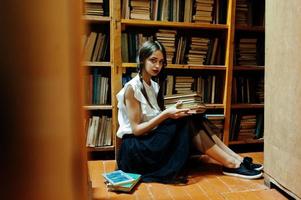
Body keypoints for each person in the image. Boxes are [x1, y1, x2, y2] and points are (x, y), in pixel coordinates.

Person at [116, 40, 263, 183]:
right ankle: (230, 164)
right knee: (186, 122)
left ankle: (237, 159)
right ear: (142, 60)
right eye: (153, 60)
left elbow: (154, 116)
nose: (157, 66)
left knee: (195, 117)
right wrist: (166, 114)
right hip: (137, 148)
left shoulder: (153, 85)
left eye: (161, 62)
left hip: (151, 139)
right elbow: (136, 130)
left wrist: (175, 112)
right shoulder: (132, 88)